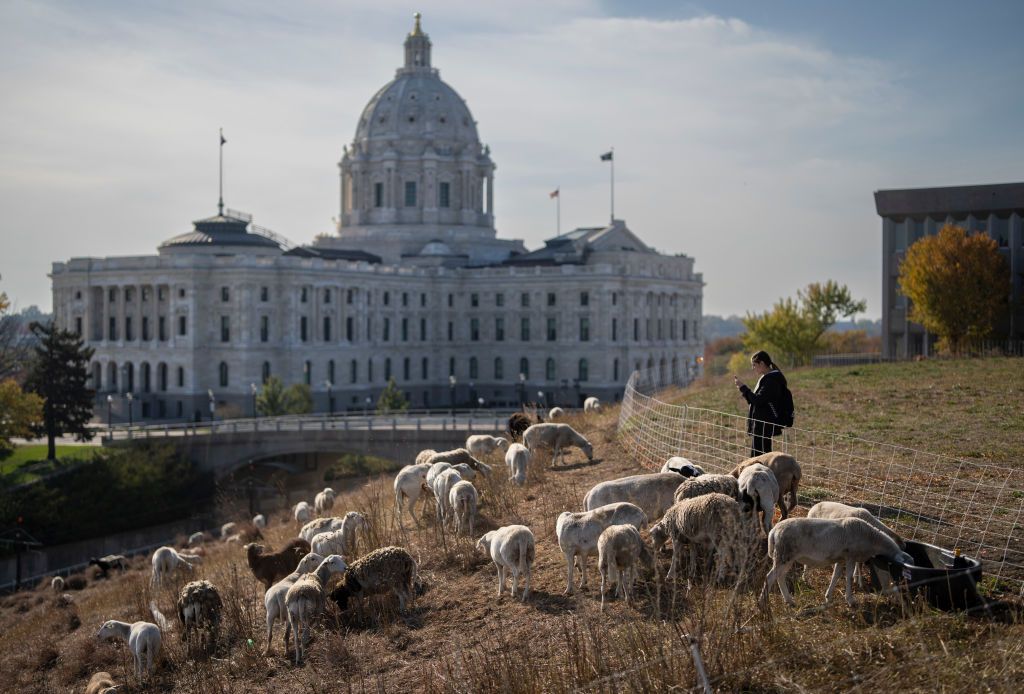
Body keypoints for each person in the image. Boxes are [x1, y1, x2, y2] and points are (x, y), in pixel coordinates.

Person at [733, 350, 787, 457]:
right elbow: (756, 401)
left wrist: (744, 388)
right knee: (761, 456)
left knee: (759, 457)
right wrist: (743, 389)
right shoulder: (767, 378)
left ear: (762, 363)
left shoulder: (771, 380)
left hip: (764, 424)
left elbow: (758, 400)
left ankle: (763, 473)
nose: (753, 368)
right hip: (762, 424)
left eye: (754, 365)